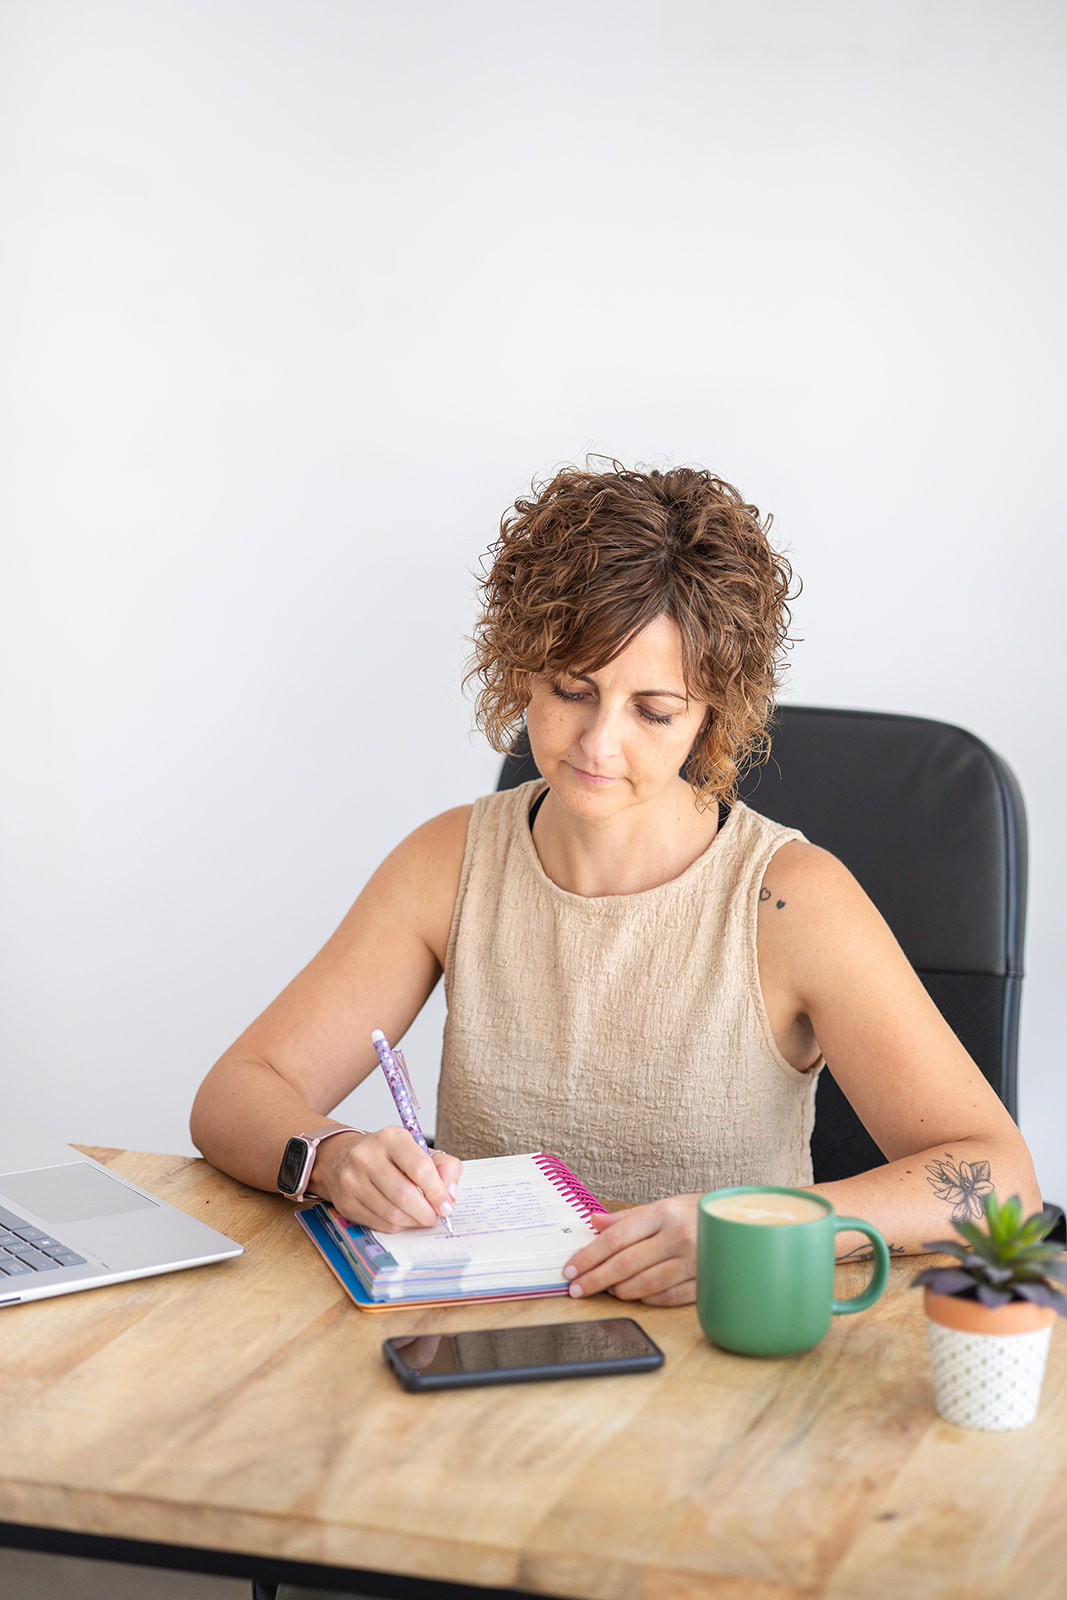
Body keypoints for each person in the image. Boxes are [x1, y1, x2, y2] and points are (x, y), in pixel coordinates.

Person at [191, 460, 1040, 1310]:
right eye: (571, 690)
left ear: (712, 713)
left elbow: (999, 1181)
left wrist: (761, 1225)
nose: (597, 744)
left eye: (653, 710)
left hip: (716, 1347)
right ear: (521, 668)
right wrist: (334, 1157)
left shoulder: (789, 898)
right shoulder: (448, 862)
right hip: (487, 1332)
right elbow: (237, 1092)